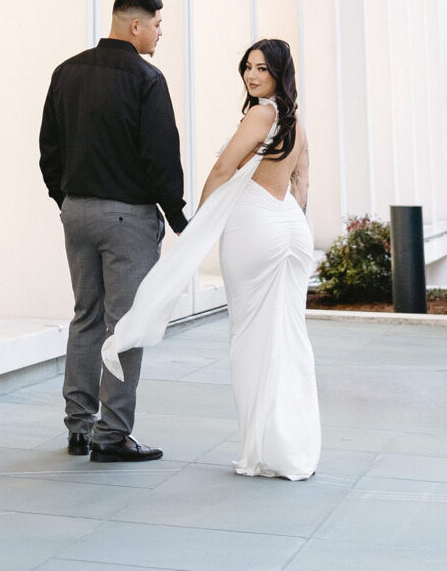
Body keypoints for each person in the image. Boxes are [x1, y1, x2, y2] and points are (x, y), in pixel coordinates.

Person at [101, 38, 320, 481]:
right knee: (287, 338)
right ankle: (293, 448)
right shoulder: (296, 121)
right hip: (290, 229)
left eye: (262, 68)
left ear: (280, 73)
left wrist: (198, 222)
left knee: (251, 340)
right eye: (247, 68)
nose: (252, 76)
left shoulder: (262, 113)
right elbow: (301, 184)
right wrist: (285, 222)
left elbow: (224, 171)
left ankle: (266, 451)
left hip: (256, 224)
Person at [39, 0, 187, 463]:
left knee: (85, 317)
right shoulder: (147, 78)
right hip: (128, 219)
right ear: (135, 25)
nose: (161, 34)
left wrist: (65, 199)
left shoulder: (67, 72)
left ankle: (78, 427)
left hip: (77, 212)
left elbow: (49, 148)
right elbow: (161, 158)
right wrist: (179, 214)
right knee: (126, 326)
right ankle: (112, 434)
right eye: (158, 25)